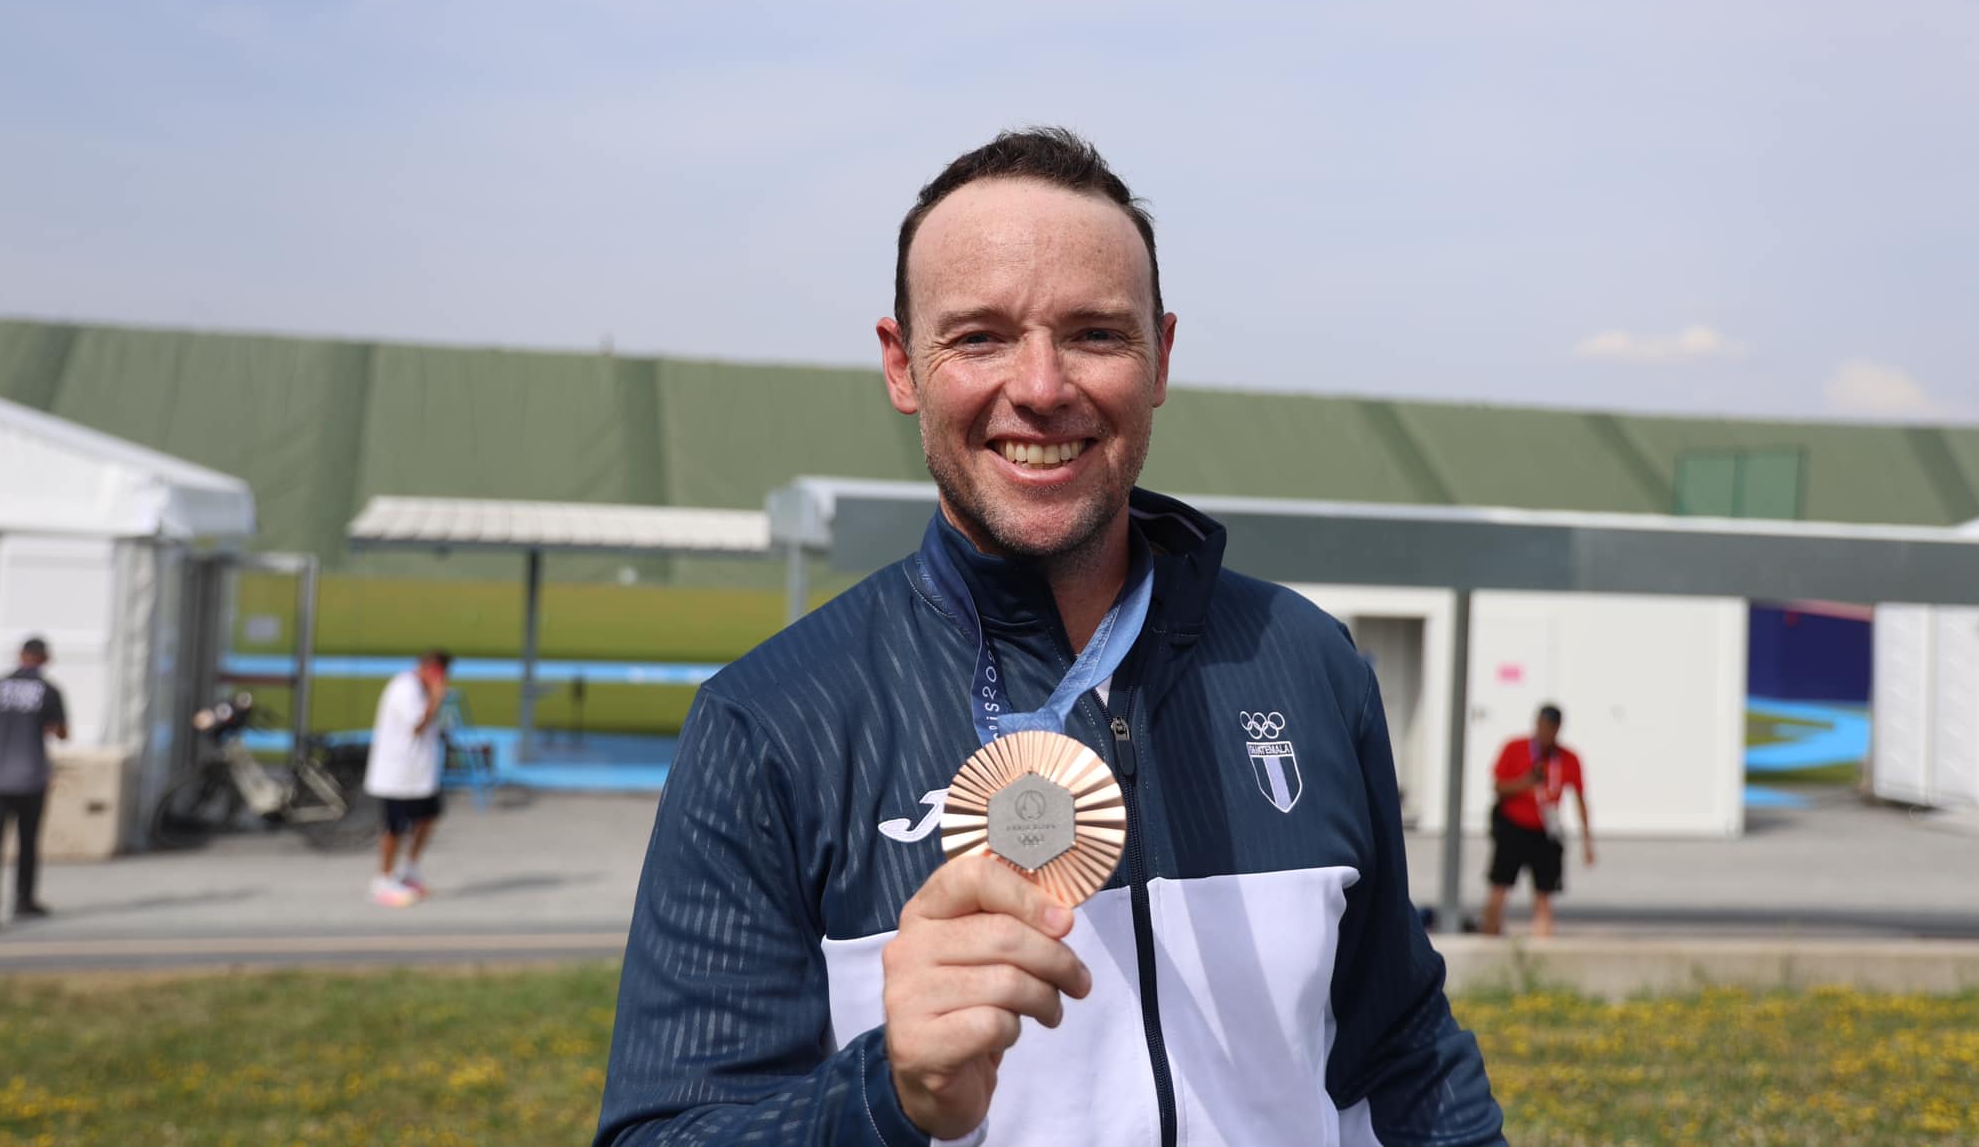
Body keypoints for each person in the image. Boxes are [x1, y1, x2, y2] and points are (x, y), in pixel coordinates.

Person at [598, 128, 1503, 1144]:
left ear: (1159, 356)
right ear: (901, 365)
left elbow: (1400, 1048)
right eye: (978, 336)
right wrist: (879, 1096)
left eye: (1093, 334)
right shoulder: (772, 722)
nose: (1038, 385)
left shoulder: (1304, 662)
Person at [1480, 704, 1594, 939]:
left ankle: (1542, 947)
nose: (1545, 733)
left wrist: (1587, 841)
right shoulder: (1515, 748)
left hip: (1545, 831)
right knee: (1499, 887)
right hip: (1513, 826)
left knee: (1544, 892)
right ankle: (1489, 937)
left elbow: (1580, 799)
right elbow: (1499, 787)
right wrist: (1527, 781)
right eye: (1542, 727)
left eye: (1551, 728)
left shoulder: (1568, 758)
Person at [0, 637, 70, 928]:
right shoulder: (49, 691)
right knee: (28, 840)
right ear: (44, 658)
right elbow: (60, 732)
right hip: (31, 776)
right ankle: (24, 900)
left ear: (21, 656)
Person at [363, 650, 452, 907]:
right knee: (394, 827)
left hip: (420, 774)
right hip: (397, 775)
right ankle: (383, 878)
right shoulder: (405, 688)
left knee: (428, 817)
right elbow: (417, 724)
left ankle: (408, 869)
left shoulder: (420, 689)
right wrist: (435, 699)